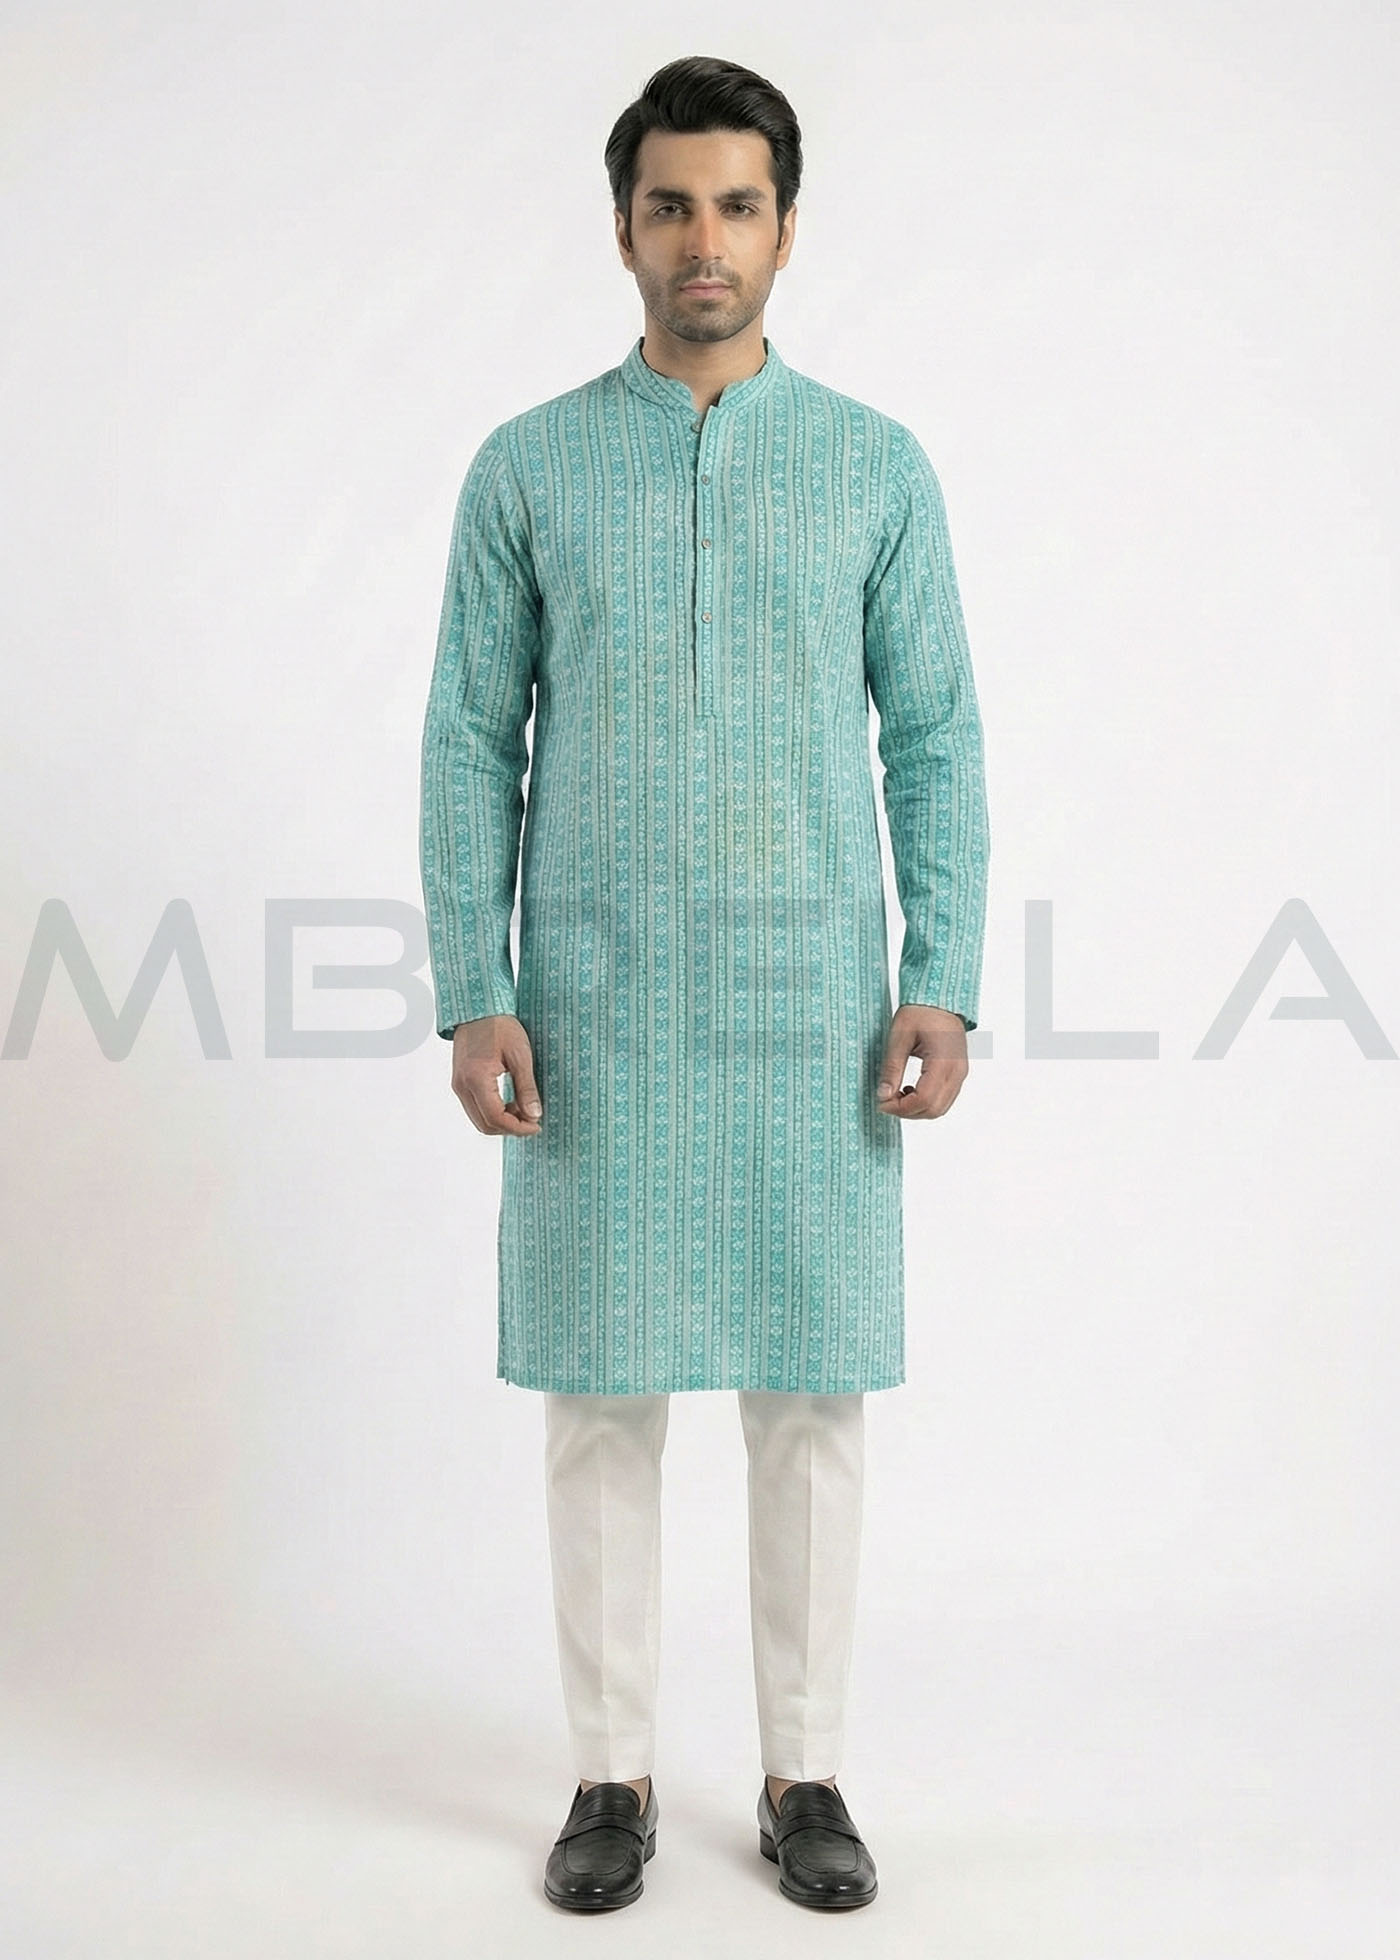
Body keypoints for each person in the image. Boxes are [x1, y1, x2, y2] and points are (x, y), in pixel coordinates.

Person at [418, 54, 991, 1913]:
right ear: (622, 229)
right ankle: (612, 1777)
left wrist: (944, 973)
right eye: (670, 204)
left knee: (808, 1398)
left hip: (813, 1007)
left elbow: (936, 735)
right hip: (589, 1008)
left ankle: (805, 1775)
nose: (704, 240)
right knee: (601, 1397)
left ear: (788, 229)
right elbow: (468, 741)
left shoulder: (873, 468)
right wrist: (473, 985)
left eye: (738, 204)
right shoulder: (529, 466)